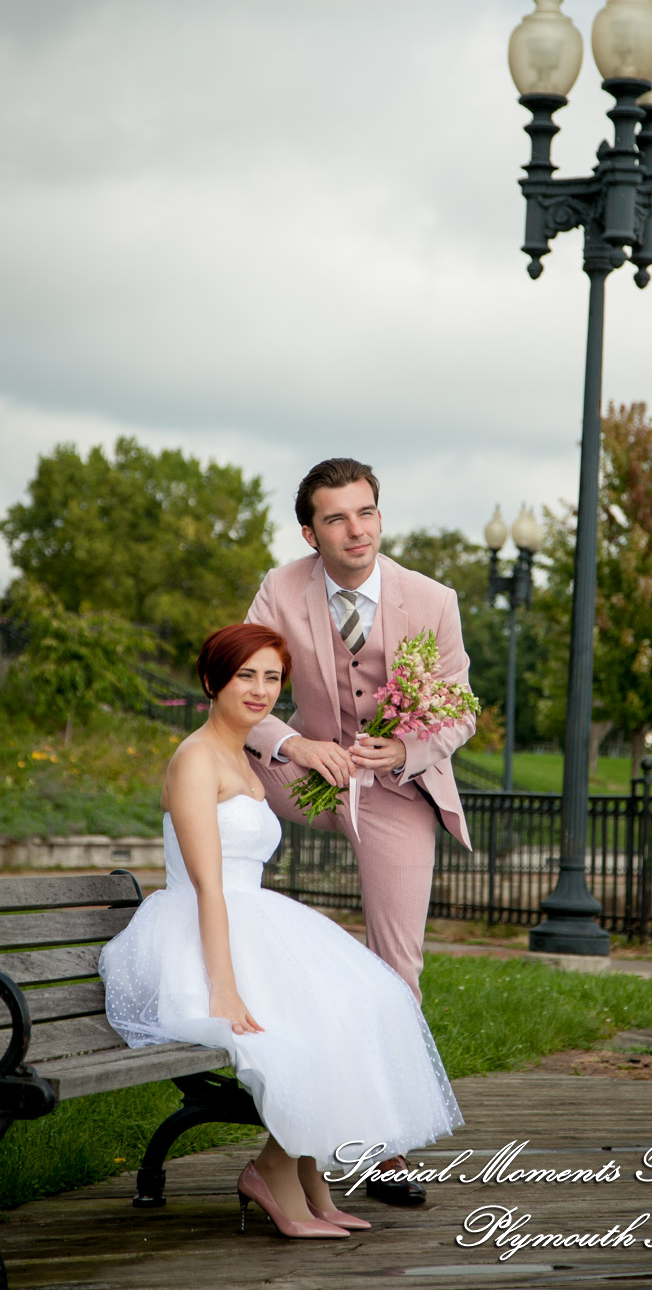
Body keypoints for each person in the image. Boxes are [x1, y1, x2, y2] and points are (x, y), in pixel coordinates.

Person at [99, 623, 462, 1241]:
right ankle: (273, 1172)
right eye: (246, 675)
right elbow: (208, 886)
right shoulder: (193, 760)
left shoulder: (244, 759)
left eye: (272, 678)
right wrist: (224, 987)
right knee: (297, 1029)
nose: (261, 690)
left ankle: (310, 1181)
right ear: (213, 681)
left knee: (364, 1001)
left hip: (252, 917)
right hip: (198, 929)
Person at [245, 457, 476, 1206]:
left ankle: (386, 1144)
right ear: (309, 532)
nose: (357, 530)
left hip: (393, 787)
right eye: (337, 518)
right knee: (222, 779)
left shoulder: (432, 599)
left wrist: (408, 750)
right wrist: (290, 745)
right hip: (303, 774)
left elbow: (459, 707)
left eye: (366, 512)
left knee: (396, 968)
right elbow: (235, 685)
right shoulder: (280, 589)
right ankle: (213, 937)